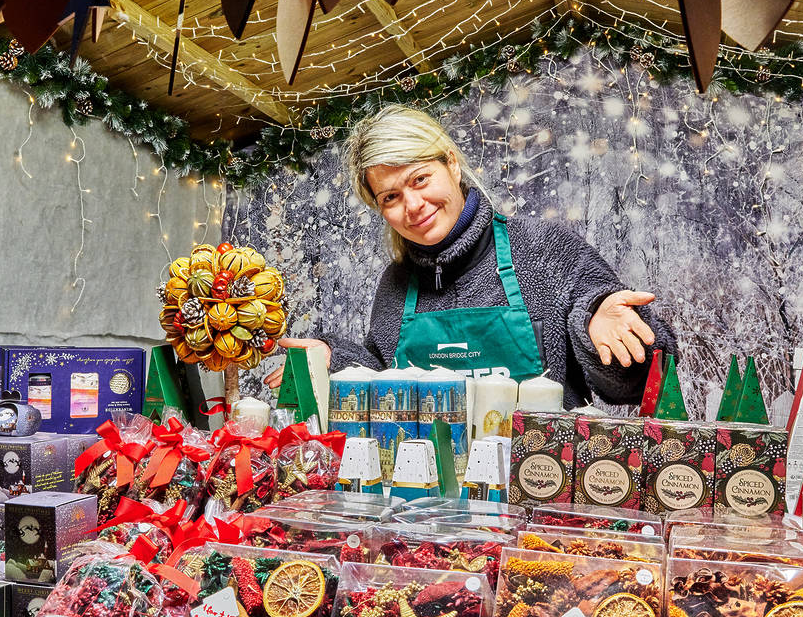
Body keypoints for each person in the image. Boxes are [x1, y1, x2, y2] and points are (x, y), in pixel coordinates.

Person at [265, 105, 677, 408]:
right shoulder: (395, 284)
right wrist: (335, 362)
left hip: (539, 492)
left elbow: (635, 384)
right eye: (391, 196)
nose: (413, 205)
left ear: (452, 166)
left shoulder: (545, 248)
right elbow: (382, 377)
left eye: (420, 179)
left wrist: (598, 321)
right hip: (427, 504)